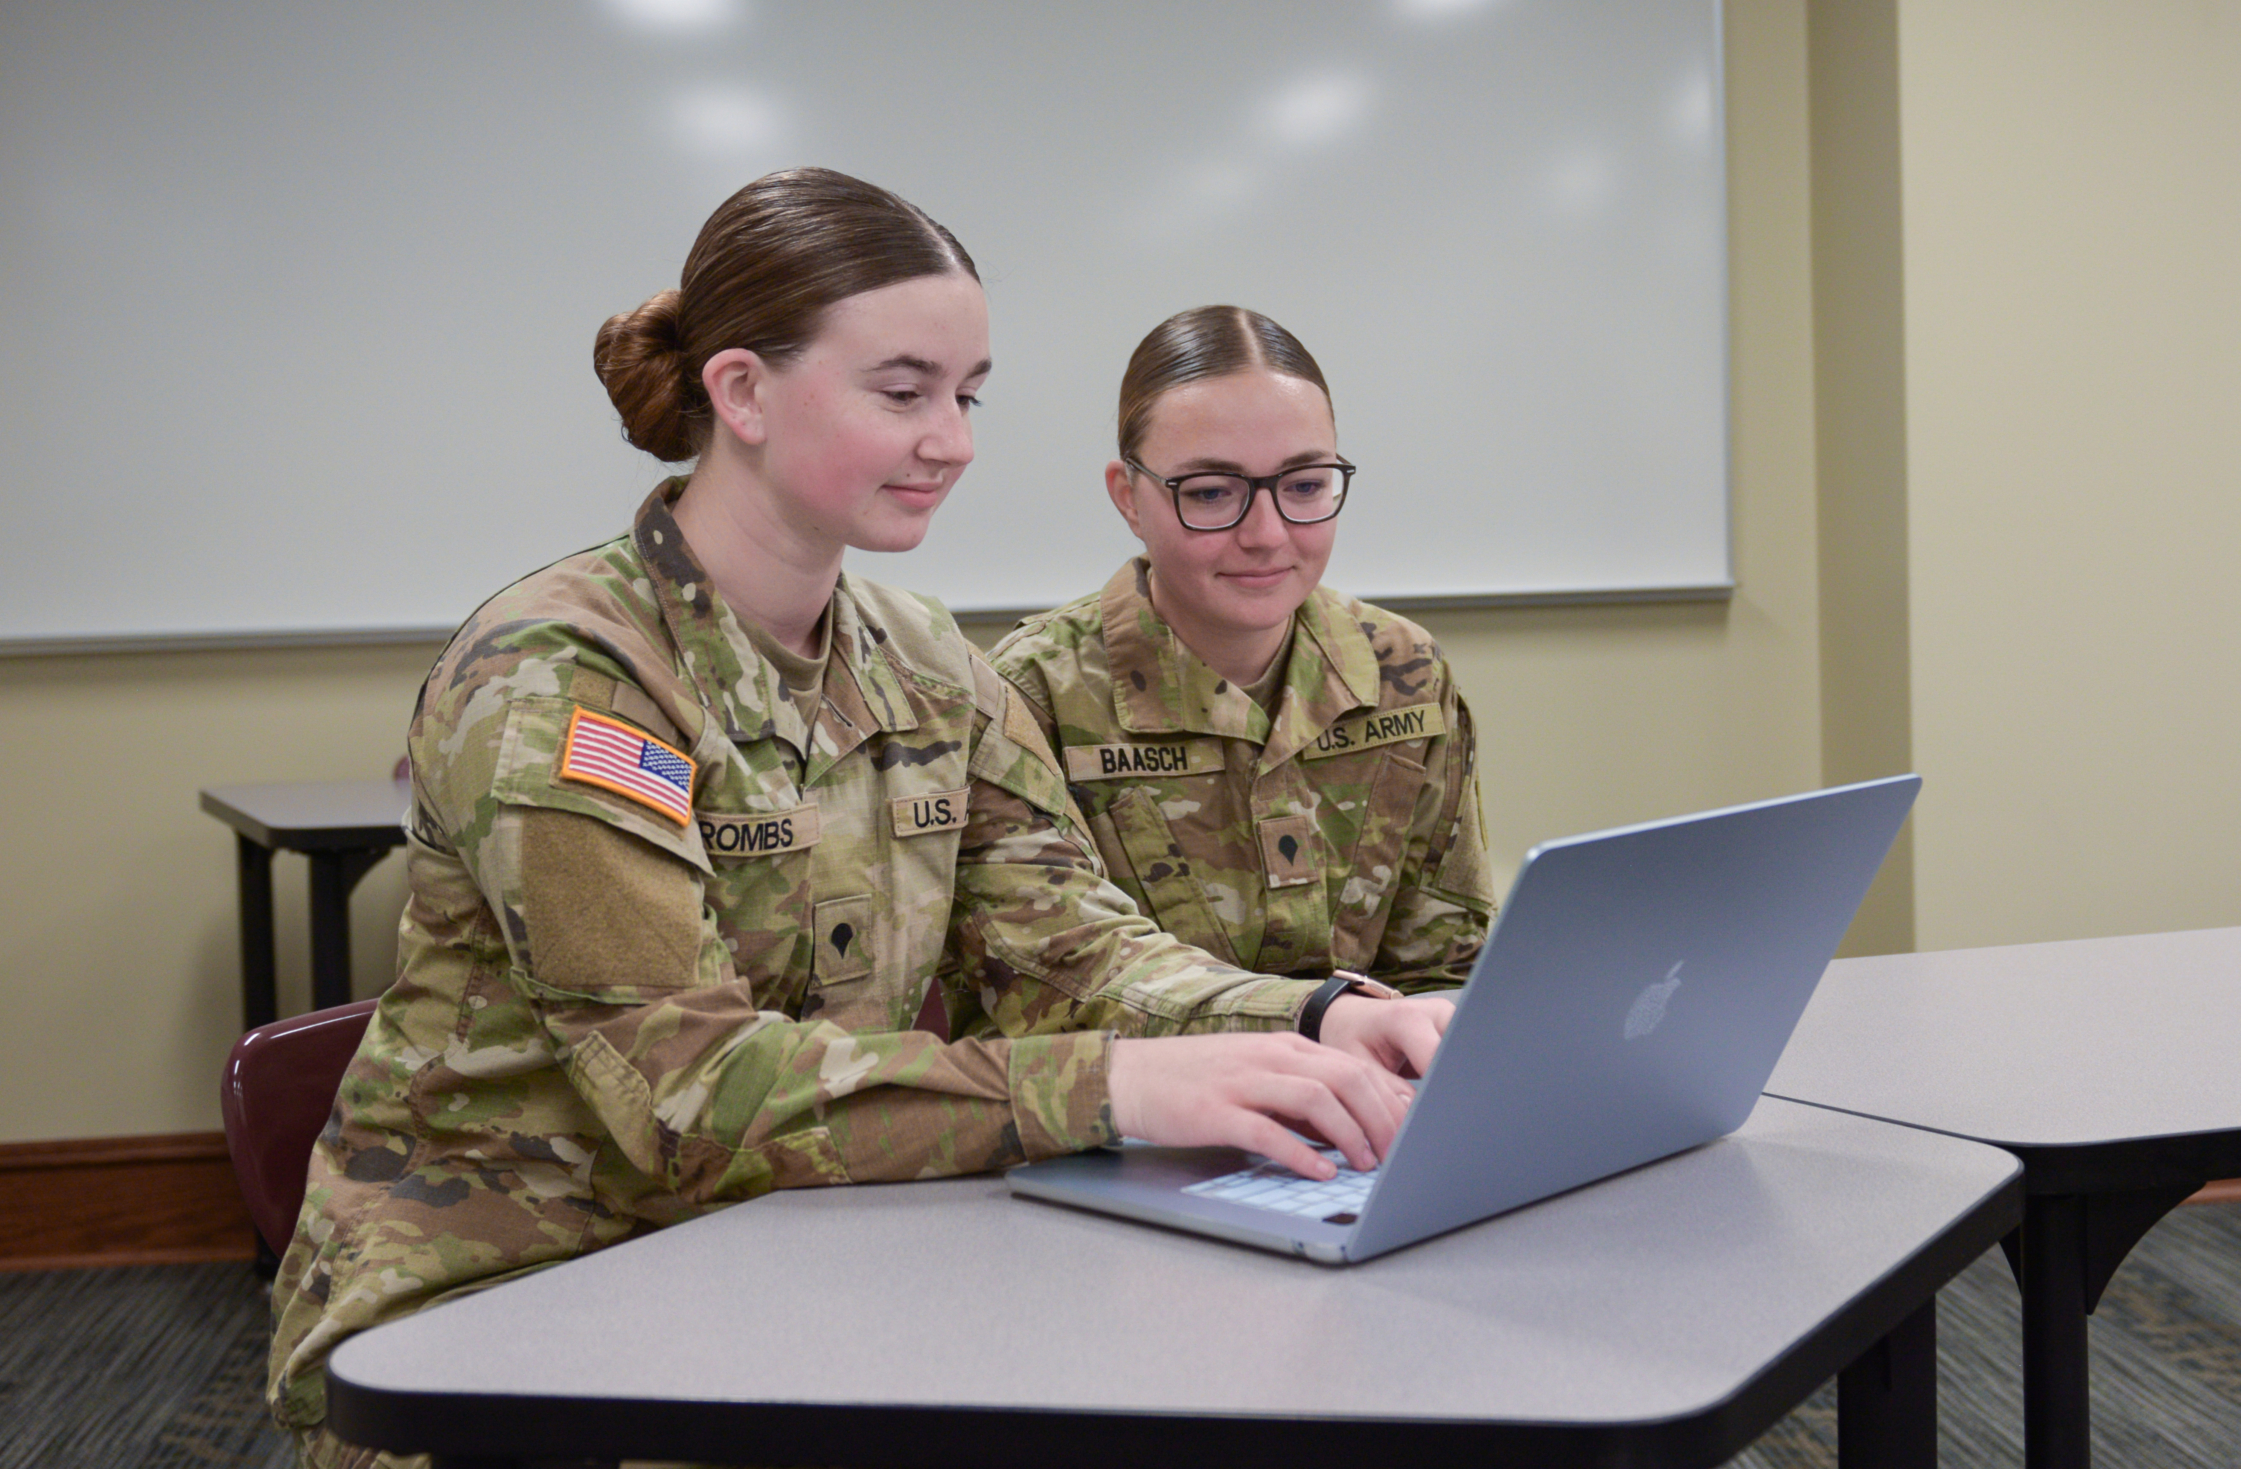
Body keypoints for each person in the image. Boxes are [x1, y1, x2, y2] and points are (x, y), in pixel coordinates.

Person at [265, 173, 1447, 1468]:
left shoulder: (925, 659)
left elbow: (1074, 950)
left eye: (967, 394)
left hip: (789, 1258)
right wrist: (1111, 1085)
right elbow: (688, 1093)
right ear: (743, 392)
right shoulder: (566, 676)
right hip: (500, 1309)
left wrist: (1319, 1014)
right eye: (903, 391)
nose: (954, 439)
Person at [988, 306, 1494, 999]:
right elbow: (1056, 990)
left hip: (1375, 1064)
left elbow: (1446, 968)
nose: (1266, 534)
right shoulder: (1033, 692)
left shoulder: (1403, 670)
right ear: (1128, 499)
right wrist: (1314, 1021)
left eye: (1305, 486)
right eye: (1211, 493)